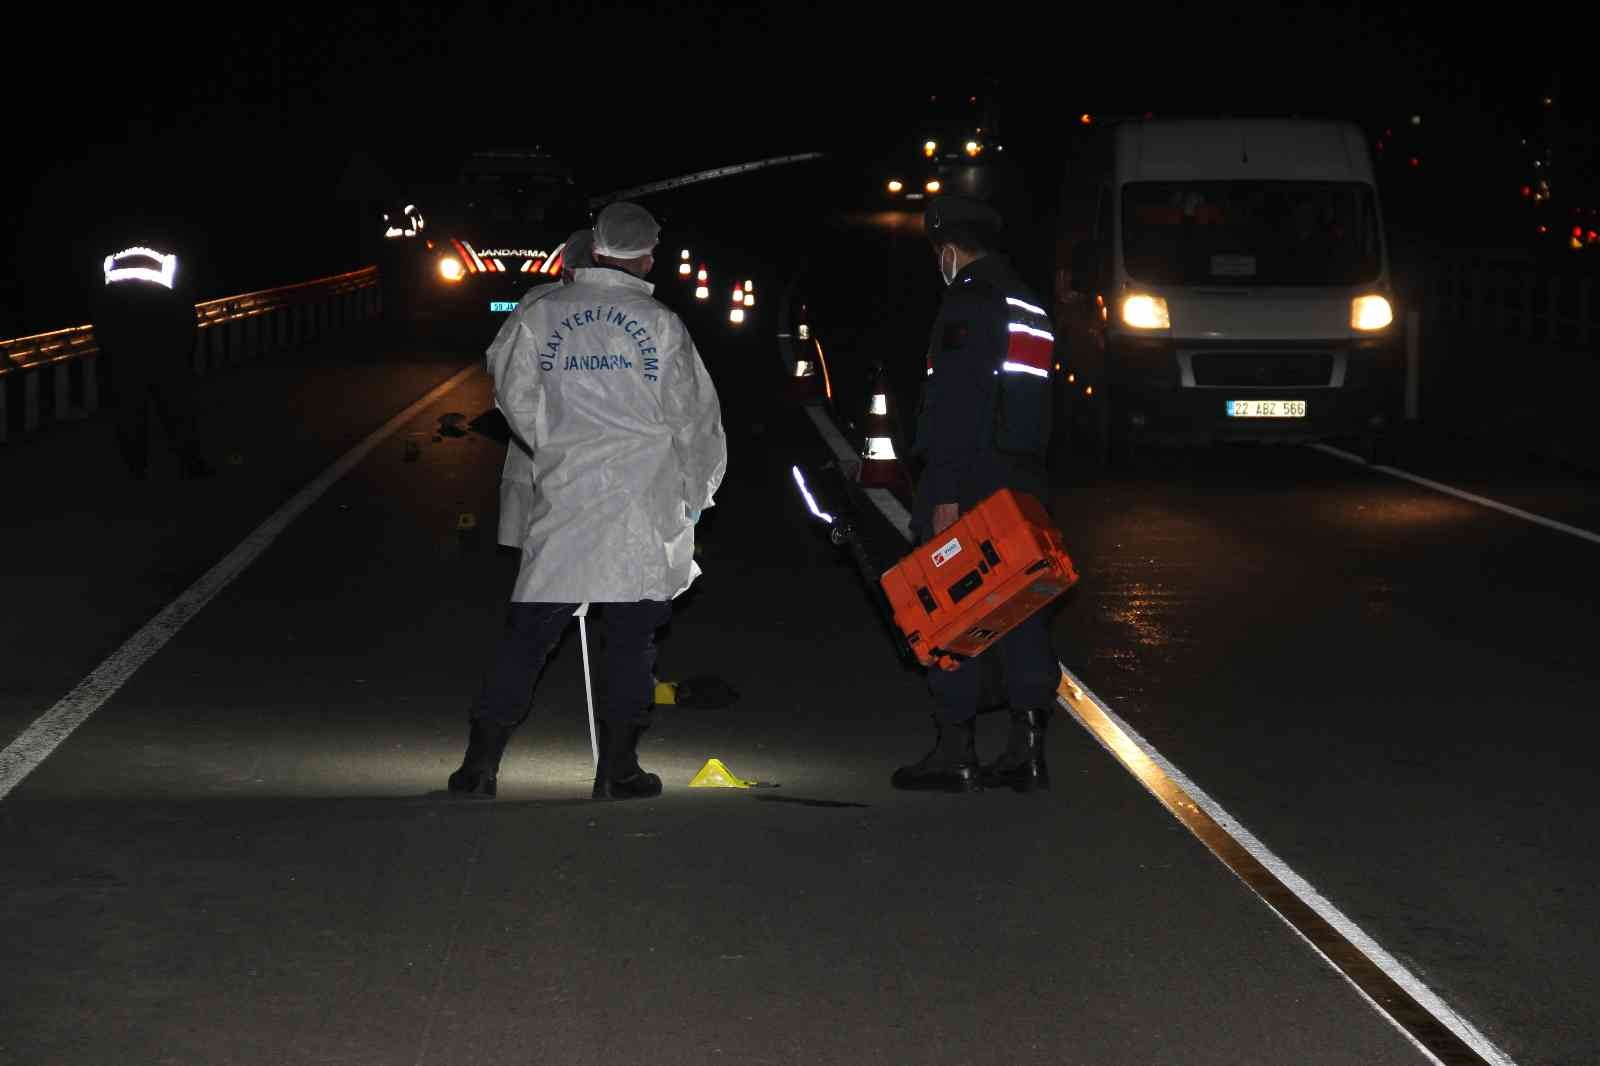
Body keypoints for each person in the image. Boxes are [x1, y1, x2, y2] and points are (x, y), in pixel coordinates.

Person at [448, 202, 727, 800]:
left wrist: (554, 444)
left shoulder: (541, 314)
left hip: (567, 496)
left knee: (528, 633)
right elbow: (695, 419)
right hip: (641, 501)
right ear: (648, 255)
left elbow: (511, 391)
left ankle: (479, 765)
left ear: (595, 248)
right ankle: (618, 768)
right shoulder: (658, 322)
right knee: (631, 638)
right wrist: (699, 493)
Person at [895, 194, 1060, 793]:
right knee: (1022, 608)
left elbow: (957, 405)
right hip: (1024, 478)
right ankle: (1029, 749)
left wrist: (943, 490)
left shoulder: (970, 300)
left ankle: (955, 749)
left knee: (951, 608)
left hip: (973, 480)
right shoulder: (1028, 300)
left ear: (948, 250)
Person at [491, 228, 595, 549]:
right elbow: (503, 365)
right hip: (548, 443)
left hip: (584, 447)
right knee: (550, 550)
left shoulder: (617, 306)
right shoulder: (538, 302)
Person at [93, 223, 214, 480]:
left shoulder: (110, 262)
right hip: (165, 352)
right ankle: (192, 465)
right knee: (177, 412)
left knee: (131, 415)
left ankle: (136, 469)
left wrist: (108, 350)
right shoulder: (169, 262)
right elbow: (184, 311)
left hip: (124, 354)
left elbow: (102, 312)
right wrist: (186, 352)